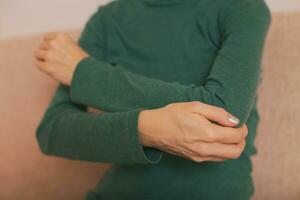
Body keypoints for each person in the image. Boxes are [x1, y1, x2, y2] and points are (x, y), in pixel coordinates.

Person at [34, 0, 271, 199]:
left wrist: (85, 73)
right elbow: (52, 131)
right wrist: (146, 129)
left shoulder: (242, 7)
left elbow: (223, 116)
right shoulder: (107, 20)